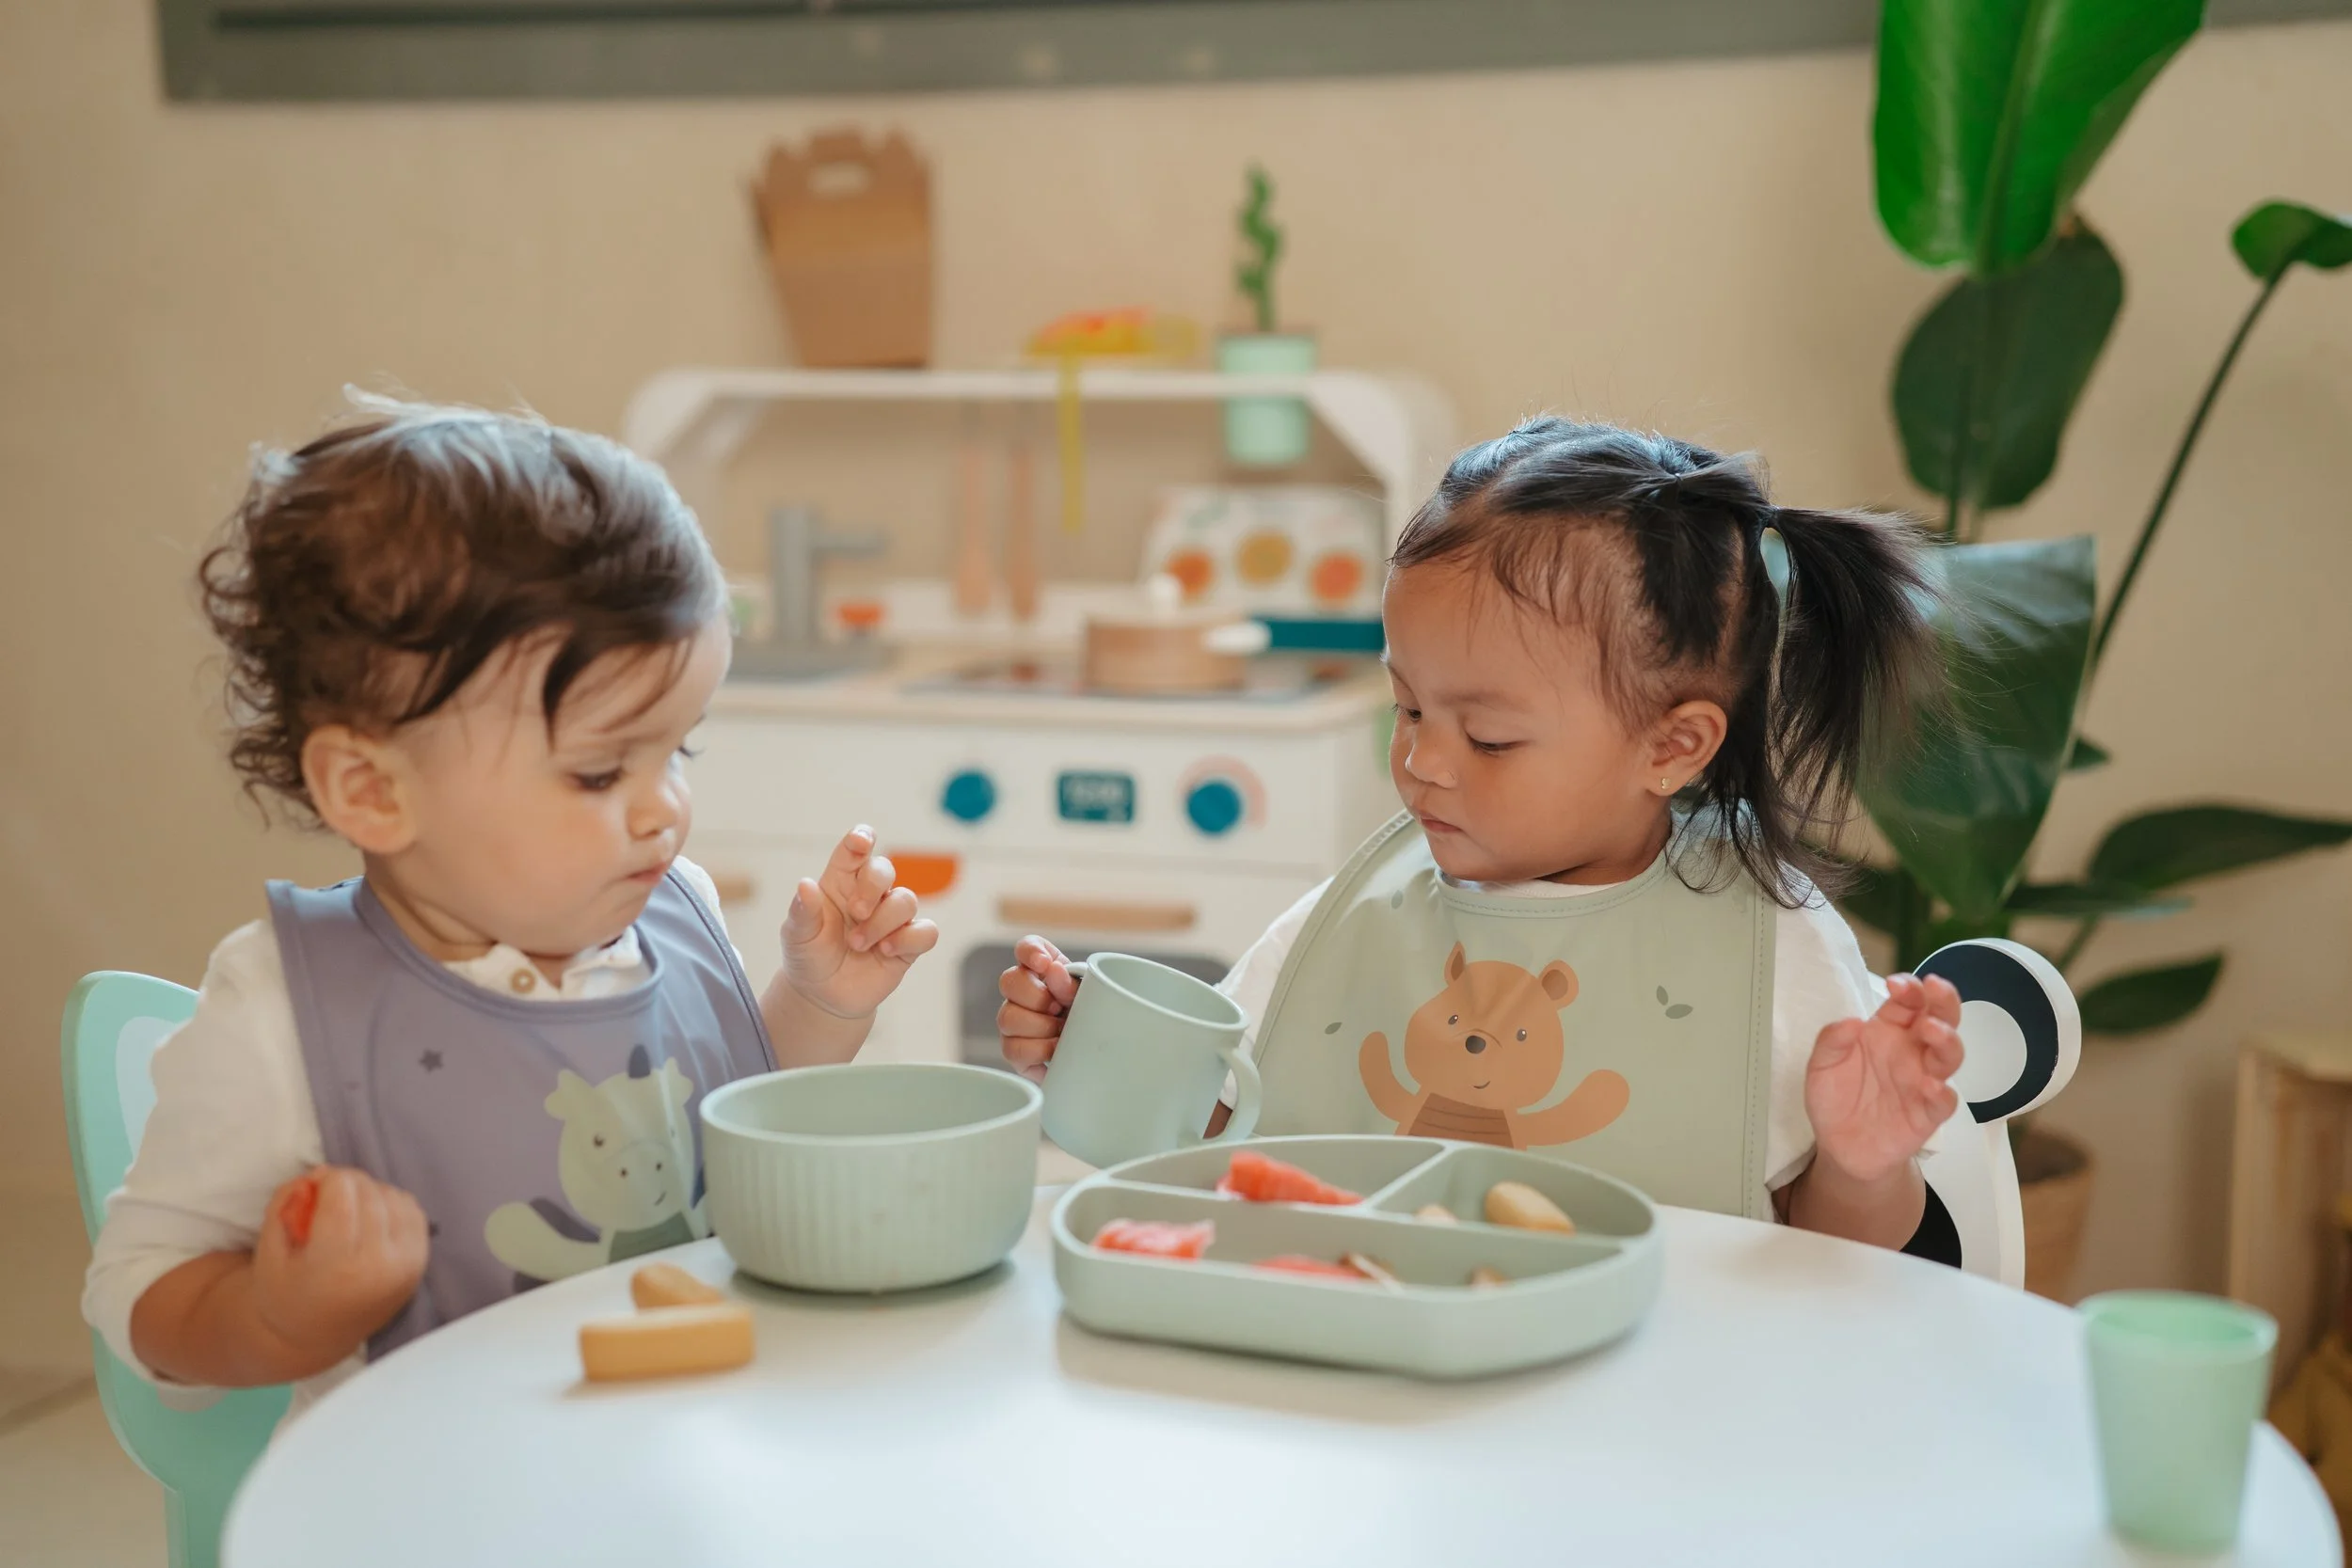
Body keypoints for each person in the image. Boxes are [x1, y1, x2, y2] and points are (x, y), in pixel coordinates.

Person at [84, 398, 934, 1421]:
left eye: (679, 748)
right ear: (373, 791)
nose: (665, 807)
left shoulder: (676, 910)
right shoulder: (287, 1008)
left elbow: (725, 1151)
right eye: (597, 772)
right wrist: (278, 1311)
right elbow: (137, 1291)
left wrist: (820, 1002)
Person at [1001, 417, 1965, 1251]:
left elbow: (1833, 1259)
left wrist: (1858, 1168)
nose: (1423, 761)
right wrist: (1098, 1047)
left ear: (1672, 745)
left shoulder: (1766, 942)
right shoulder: (1365, 905)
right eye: (1406, 707)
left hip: (1656, 1420)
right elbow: (1233, 1125)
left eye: (1490, 736)